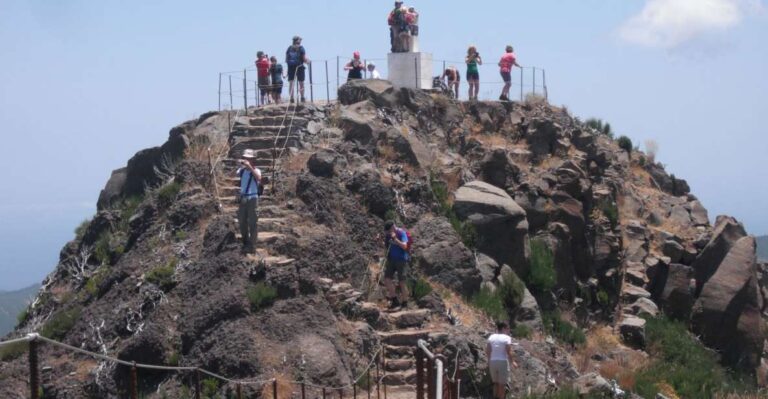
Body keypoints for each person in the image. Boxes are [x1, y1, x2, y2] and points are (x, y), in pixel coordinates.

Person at [237, 149, 262, 254]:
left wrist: (250, 167)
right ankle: (245, 242)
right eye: (245, 158)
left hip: (253, 198)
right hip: (243, 198)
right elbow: (237, 172)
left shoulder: (257, 170)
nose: (246, 160)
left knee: (253, 223)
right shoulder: (241, 171)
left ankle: (252, 246)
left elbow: (259, 178)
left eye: (248, 158)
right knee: (242, 221)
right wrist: (240, 164)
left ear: (253, 160)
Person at [486, 322, 519, 399]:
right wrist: (512, 361)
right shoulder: (507, 338)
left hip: (492, 361)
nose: (509, 330)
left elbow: (488, 350)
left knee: (495, 383)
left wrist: (489, 361)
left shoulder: (491, 337)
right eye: (508, 328)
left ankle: (494, 397)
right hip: (502, 362)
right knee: (502, 384)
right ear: (503, 328)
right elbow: (508, 351)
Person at [383, 220, 410, 309]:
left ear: (393, 227)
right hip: (391, 260)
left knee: (402, 281)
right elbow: (386, 246)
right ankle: (395, 300)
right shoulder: (388, 235)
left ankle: (405, 302)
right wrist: (379, 241)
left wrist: (395, 239)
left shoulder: (401, 233)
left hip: (401, 260)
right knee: (387, 279)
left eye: (389, 230)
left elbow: (404, 246)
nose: (388, 233)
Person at [286, 36, 309, 103]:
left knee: (291, 83)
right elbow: (304, 59)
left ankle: (291, 98)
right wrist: (308, 61)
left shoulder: (289, 48)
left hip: (291, 67)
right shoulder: (301, 48)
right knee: (301, 83)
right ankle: (302, 97)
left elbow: (286, 59)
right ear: (298, 41)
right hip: (300, 67)